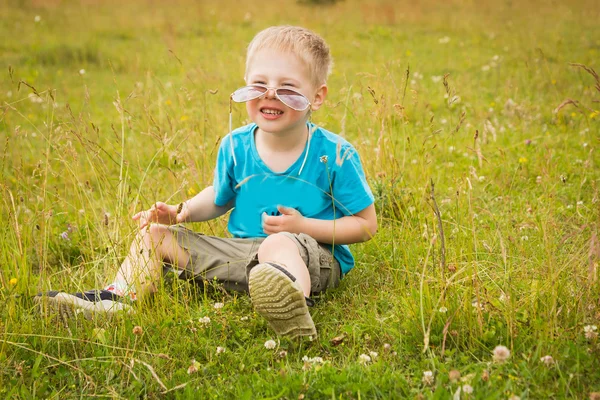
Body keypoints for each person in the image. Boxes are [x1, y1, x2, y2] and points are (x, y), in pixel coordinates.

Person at [36, 26, 377, 339]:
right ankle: (116, 300)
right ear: (245, 84)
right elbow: (219, 197)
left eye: (287, 88)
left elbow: (365, 226)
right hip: (242, 257)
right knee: (153, 237)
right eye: (259, 85)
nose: (270, 95)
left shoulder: (334, 154)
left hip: (311, 257)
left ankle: (292, 307)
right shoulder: (235, 145)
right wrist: (181, 212)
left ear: (317, 97)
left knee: (280, 243)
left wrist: (304, 226)